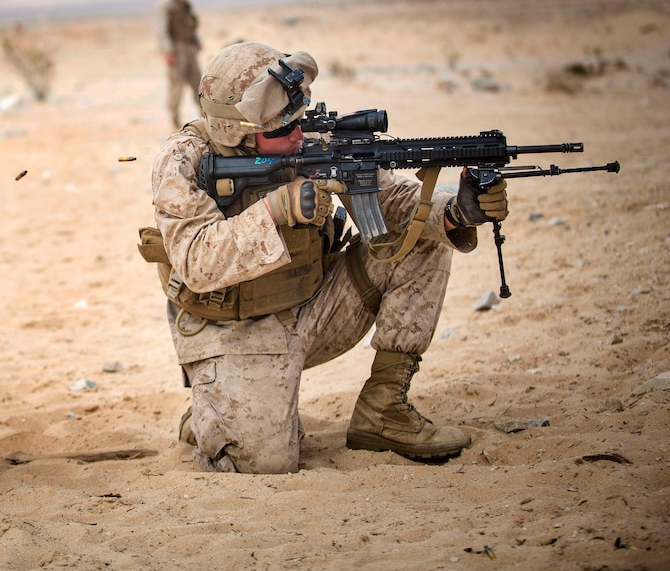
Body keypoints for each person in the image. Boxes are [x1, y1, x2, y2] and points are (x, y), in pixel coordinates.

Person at [143, 42, 508, 474]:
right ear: (235, 130)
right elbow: (197, 261)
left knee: (420, 239)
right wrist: (277, 210)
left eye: (300, 121)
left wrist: (456, 210)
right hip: (232, 332)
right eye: (281, 131)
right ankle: (209, 408)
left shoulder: (313, 141)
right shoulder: (183, 160)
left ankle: (384, 409)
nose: (299, 136)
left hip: (316, 308)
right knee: (266, 464)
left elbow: (394, 203)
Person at [156, 0, 202, 130]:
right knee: (176, 86)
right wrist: (168, 51)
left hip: (188, 48)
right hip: (176, 49)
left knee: (199, 84)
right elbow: (162, 30)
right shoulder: (166, 2)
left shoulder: (181, 0)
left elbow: (189, 24)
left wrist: (195, 40)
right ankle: (174, 123)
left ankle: (206, 119)